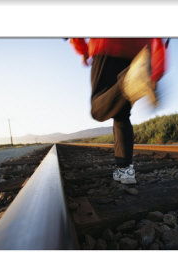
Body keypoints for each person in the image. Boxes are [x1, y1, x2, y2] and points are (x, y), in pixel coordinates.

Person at [70, 38, 166, 184]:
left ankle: (130, 80)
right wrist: (156, 69)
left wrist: (82, 49)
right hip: (137, 53)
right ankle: (125, 172)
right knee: (121, 115)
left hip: (105, 45)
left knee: (98, 110)